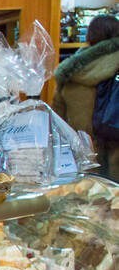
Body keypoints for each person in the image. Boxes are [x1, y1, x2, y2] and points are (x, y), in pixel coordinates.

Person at [52, 14, 119, 181]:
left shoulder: (70, 72)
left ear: (89, 37)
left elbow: (56, 122)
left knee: (87, 203)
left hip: (83, 159)